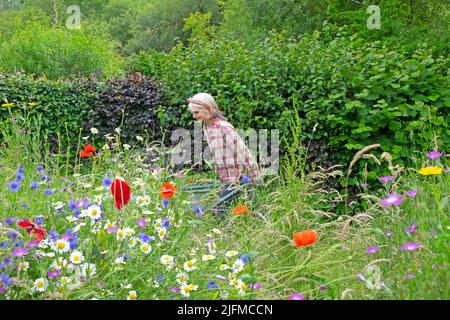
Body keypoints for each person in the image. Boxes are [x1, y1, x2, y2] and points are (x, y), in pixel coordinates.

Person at [187, 92, 262, 215]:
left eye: (196, 113)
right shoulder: (207, 128)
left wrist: (255, 176)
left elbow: (242, 152)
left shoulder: (223, 127)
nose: (194, 116)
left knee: (221, 210)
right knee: (236, 211)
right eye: (193, 113)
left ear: (207, 110)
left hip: (238, 178)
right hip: (225, 179)